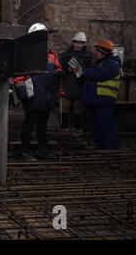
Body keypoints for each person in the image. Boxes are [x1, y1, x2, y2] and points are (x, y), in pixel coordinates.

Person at [13, 23, 62, 161]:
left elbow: (58, 69)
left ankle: (42, 150)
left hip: (46, 96)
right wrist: (23, 93)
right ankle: (25, 151)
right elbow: (18, 76)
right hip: (33, 96)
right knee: (29, 125)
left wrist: (60, 75)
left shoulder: (51, 55)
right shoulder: (26, 54)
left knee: (43, 125)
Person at [68, 39, 122, 150]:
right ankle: (101, 145)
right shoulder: (98, 64)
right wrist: (77, 73)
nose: (96, 53)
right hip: (94, 100)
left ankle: (112, 148)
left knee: (107, 125)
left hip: (104, 100)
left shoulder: (112, 64)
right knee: (95, 125)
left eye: (98, 51)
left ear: (104, 52)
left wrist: (82, 70)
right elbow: (91, 77)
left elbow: (99, 75)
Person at [59, 32, 93, 134]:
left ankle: (77, 128)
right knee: (64, 109)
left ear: (84, 44)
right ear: (73, 43)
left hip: (80, 87)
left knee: (78, 109)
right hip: (67, 86)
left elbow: (90, 71)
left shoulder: (89, 56)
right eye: (77, 43)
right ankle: (64, 128)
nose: (78, 45)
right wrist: (68, 70)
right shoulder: (65, 55)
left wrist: (82, 73)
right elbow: (59, 71)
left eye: (81, 43)